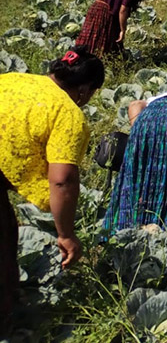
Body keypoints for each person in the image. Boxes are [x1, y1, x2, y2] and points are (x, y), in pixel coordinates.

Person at [0, 50, 105, 325]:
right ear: (83, 90)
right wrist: (66, 234)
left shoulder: (12, 80)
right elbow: (62, 180)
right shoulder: (66, 113)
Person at [103, 87, 167, 237]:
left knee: (140, 175)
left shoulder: (157, 99)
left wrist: (139, 132)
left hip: (147, 120)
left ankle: (127, 226)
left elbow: (134, 105)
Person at [77, 0, 158, 56]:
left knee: (91, 36)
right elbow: (123, 11)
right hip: (104, 12)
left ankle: (82, 57)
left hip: (95, 7)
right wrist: (123, 30)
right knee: (103, 39)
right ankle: (96, 60)